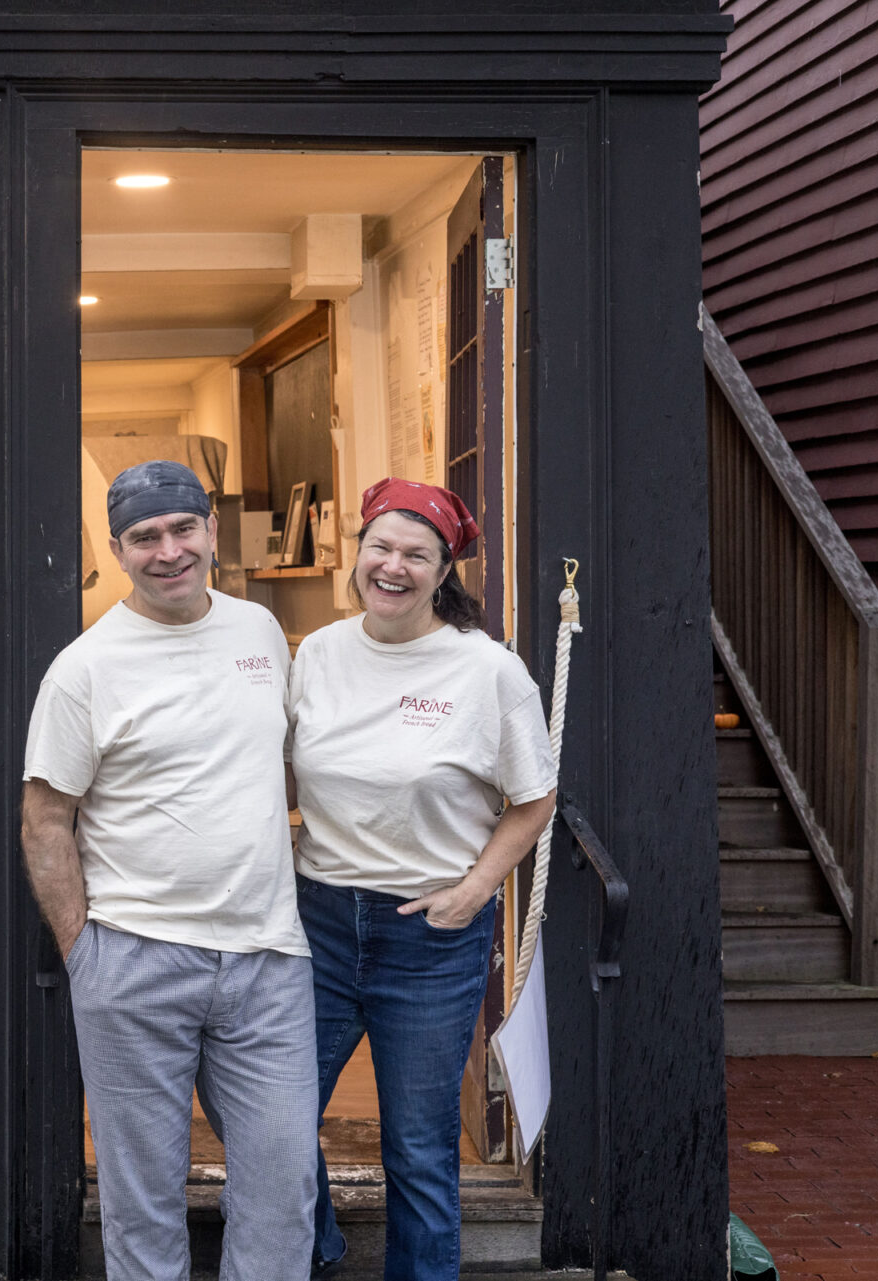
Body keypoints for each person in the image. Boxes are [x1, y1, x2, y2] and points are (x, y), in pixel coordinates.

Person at [21, 459, 316, 1281]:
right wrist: (88, 952)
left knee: (283, 1184)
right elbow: (45, 821)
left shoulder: (259, 633)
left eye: (183, 528)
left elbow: (283, 762)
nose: (169, 550)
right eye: (144, 537)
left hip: (269, 960)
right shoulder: (84, 668)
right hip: (134, 958)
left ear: (212, 530)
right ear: (118, 550)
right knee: (142, 1199)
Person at [288, 477, 558, 1280]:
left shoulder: (487, 672)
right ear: (358, 553)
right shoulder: (319, 653)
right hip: (318, 922)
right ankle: (321, 1245)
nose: (394, 565)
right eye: (381, 546)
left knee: (418, 1146)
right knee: (267, 1115)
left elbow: (535, 798)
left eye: (417, 553)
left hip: (432, 934)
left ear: (444, 570)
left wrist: (477, 888)